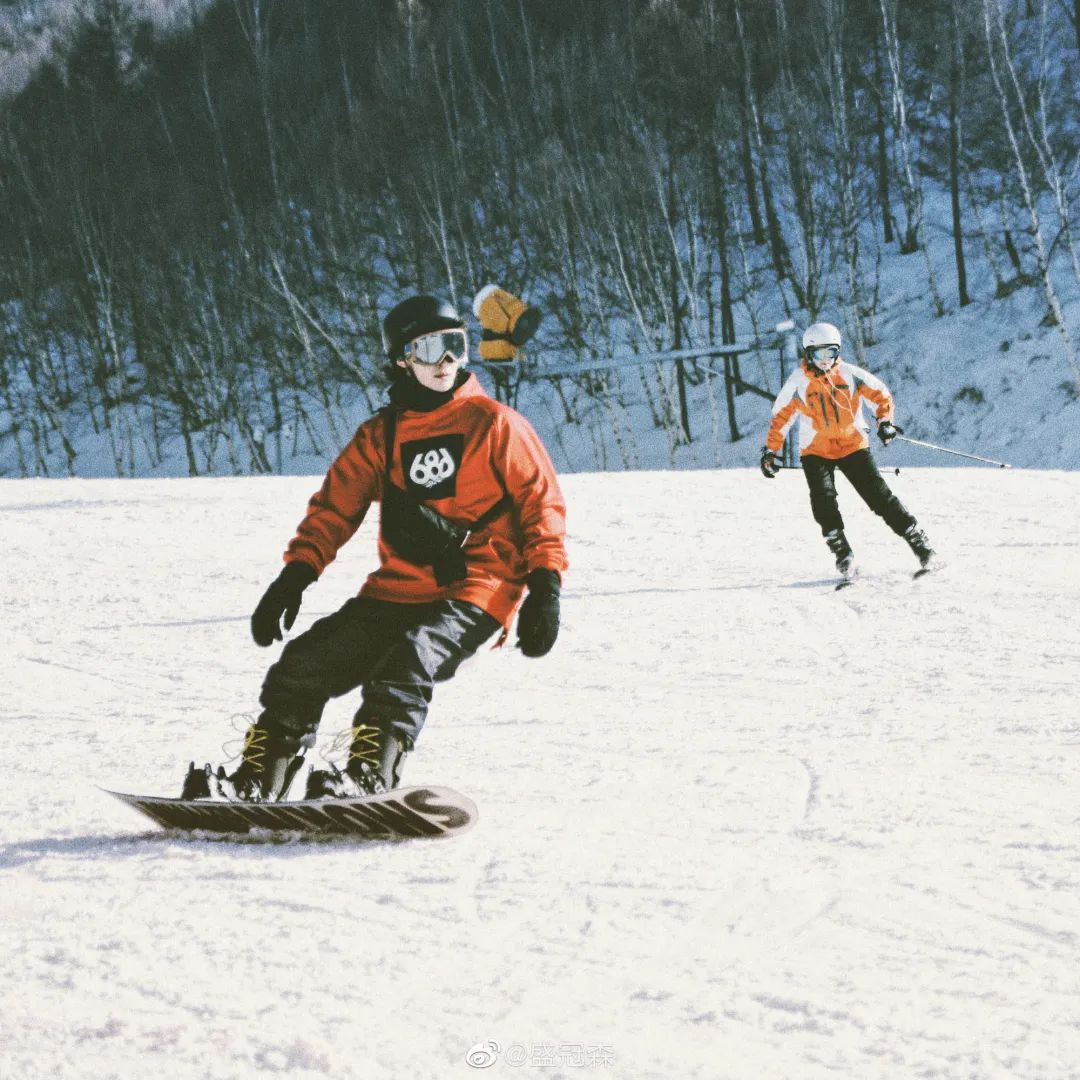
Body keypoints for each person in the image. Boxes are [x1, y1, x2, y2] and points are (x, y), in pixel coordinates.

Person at [183, 294, 567, 803]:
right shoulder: (381, 436)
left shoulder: (495, 424)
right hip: (399, 589)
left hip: (479, 588)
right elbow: (334, 509)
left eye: (456, 345)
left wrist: (545, 586)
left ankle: (369, 775)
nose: (446, 360)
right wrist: (294, 576)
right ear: (402, 359)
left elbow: (541, 505)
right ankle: (258, 781)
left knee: (408, 660)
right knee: (304, 661)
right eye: (430, 348)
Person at [759, 321, 935, 580]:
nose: (824, 360)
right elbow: (781, 417)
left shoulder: (851, 374)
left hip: (852, 444)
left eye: (830, 352)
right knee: (823, 500)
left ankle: (922, 547)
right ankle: (843, 554)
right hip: (815, 449)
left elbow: (881, 396)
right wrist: (770, 452)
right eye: (818, 354)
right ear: (808, 353)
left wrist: (884, 422)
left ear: (837, 352)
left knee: (879, 498)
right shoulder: (798, 382)